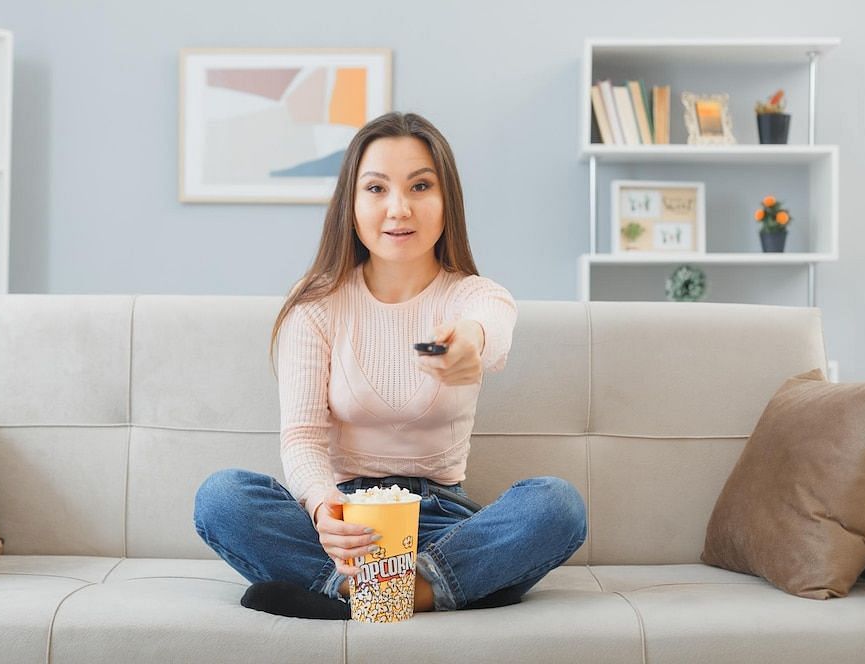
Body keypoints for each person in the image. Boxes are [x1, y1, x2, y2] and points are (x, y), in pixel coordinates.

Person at [193, 111, 587, 620]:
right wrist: (322, 507)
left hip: (443, 522)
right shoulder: (316, 305)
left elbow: (488, 327)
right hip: (347, 519)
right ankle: (428, 589)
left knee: (557, 505)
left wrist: (468, 342)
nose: (398, 209)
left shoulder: (473, 296)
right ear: (351, 204)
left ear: (447, 201)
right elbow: (303, 437)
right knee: (222, 497)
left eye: (420, 186)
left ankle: (366, 596)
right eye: (376, 188)